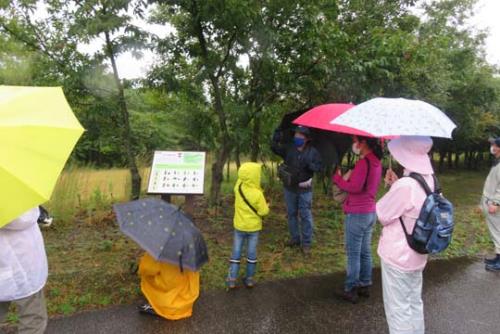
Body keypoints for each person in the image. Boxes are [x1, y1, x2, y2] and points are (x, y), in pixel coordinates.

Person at [377, 136, 436, 334]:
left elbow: (383, 214)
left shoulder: (406, 185)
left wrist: (395, 187)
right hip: (418, 253)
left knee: (398, 310)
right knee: (413, 302)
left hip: (398, 256)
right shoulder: (431, 180)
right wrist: (396, 184)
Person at [332, 136, 383, 303]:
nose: (355, 145)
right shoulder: (376, 162)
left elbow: (354, 187)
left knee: (354, 253)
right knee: (365, 251)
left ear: (364, 143)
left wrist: (338, 179)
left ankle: (351, 288)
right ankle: (365, 285)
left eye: (357, 141)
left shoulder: (363, 163)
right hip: (369, 212)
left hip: (357, 213)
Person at [271, 126, 322, 255]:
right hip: (290, 188)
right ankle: (295, 238)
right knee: (291, 213)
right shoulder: (289, 148)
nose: (297, 138)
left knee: (305, 215)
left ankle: (306, 243)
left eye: (300, 136)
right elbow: (274, 148)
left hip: (305, 189)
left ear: (306, 139)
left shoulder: (313, 152)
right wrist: (276, 137)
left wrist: (311, 166)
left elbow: (319, 167)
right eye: (296, 135)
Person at [0, 207, 48, 334]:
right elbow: (22, 218)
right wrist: (36, 209)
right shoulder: (12, 196)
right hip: (23, 264)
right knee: (32, 317)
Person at [226, 162, 270, 289]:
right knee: (251, 253)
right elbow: (263, 212)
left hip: (239, 227)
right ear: (255, 176)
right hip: (253, 229)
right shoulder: (258, 194)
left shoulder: (238, 188)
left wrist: (243, 174)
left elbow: (242, 178)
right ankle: (249, 279)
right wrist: (267, 206)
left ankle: (232, 280)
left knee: (236, 252)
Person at [137, 253, 200, 320]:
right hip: (187, 301)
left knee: (146, 278)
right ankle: (178, 306)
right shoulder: (189, 252)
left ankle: (160, 306)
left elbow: (145, 269)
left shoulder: (160, 252)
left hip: (167, 288)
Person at [482, 136, 500, 272]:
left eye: (494, 145)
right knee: (496, 232)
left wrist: (496, 203)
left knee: (498, 232)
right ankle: (497, 257)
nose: (492, 147)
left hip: (495, 204)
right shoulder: (497, 162)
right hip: (490, 201)